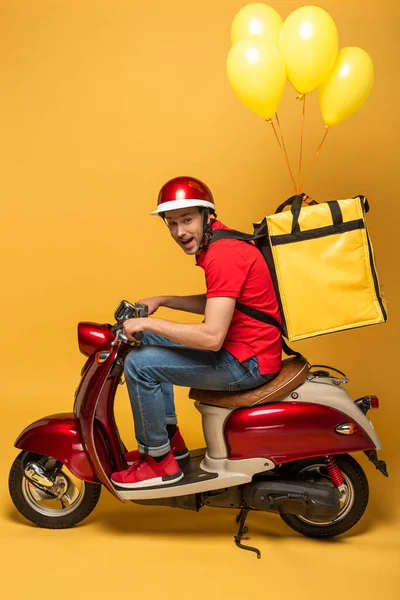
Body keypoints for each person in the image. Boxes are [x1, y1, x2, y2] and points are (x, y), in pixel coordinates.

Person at [111, 176, 282, 489]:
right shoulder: (222, 243)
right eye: (172, 223)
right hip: (245, 351)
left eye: (187, 220)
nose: (180, 232)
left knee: (139, 364)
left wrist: (147, 322)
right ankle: (170, 443)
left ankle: (157, 462)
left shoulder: (223, 254)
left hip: (246, 363)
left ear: (207, 216)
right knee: (144, 344)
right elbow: (223, 300)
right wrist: (164, 300)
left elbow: (212, 337)